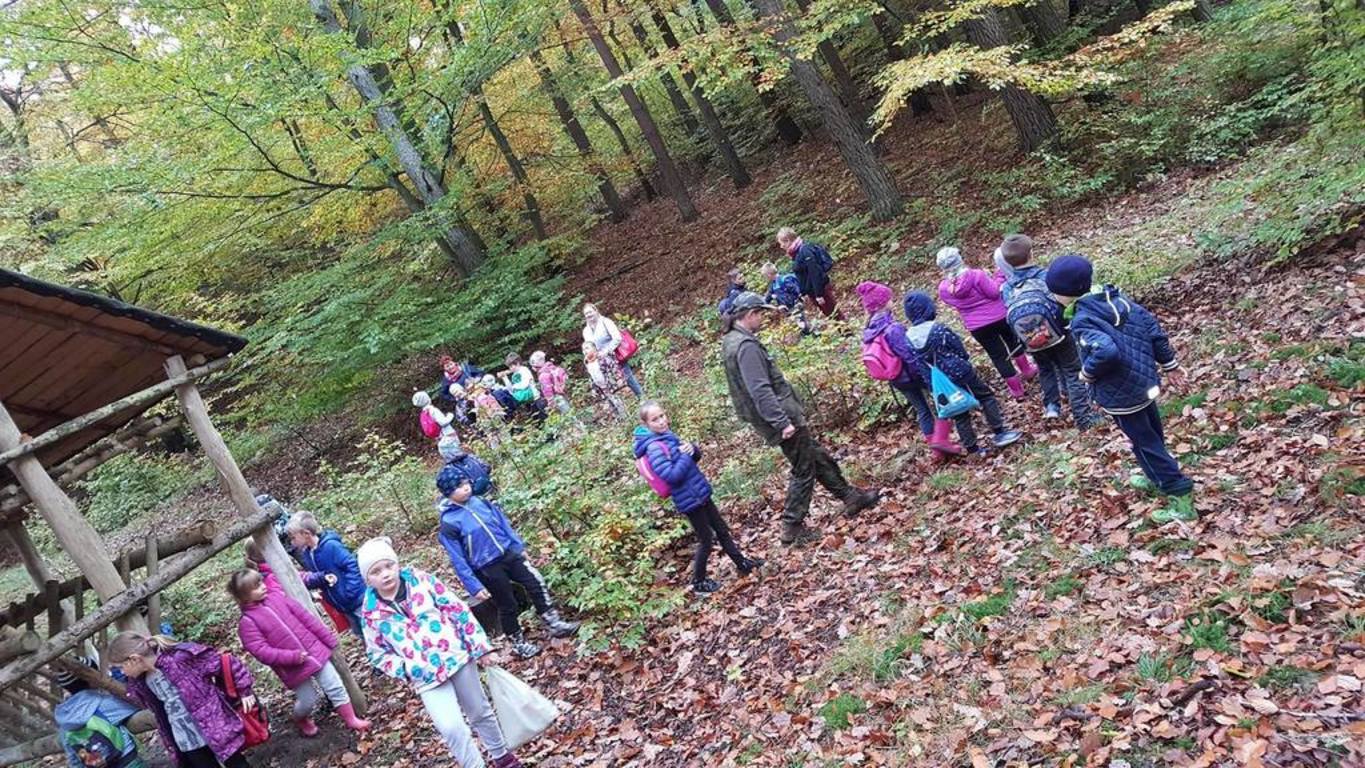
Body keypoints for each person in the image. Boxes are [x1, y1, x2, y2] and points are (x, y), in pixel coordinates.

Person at [720, 292, 881, 546]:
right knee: (803, 468)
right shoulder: (745, 346)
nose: (762, 319)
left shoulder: (732, 340)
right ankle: (792, 527)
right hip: (780, 416)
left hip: (774, 414)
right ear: (749, 315)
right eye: (760, 314)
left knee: (814, 455)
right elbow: (759, 389)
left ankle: (851, 497)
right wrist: (782, 422)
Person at [355, 538, 524, 768]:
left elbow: (458, 610)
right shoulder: (370, 613)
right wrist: (405, 668)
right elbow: (377, 653)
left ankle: (503, 757)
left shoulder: (422, 581)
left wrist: (481, 647)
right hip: (425, 676)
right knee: (451, 727)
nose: (385, 574)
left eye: (388, 566)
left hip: (456, 656)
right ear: (368, 579)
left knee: (479, 711)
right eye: (376, 572)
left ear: (397, 564)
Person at [1046, 254, 1195, 511]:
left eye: (1054, 292)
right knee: (1150, 434)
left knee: (1143, 442)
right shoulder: (1118, 299)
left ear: (1064, 293)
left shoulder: (1083, 319)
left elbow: (1106, 352)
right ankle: (1156, 475)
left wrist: (1087, 374)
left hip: (1121, 394)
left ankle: (1180, 496)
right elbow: (1153, 330)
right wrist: (1169, 364)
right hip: (1144, 381)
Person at [435, 465, 580, 658]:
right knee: (507, 604)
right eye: (459, 487)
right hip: (486, 567)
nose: (466, 488)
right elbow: (457, 559)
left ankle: (554, 623)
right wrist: (474, 586)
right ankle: (518, 643)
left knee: (535, 582)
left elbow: (503, 524)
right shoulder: (449, 523)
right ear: (448, 492)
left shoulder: (480, 502)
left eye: (465, 483)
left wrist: (518, 546)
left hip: (507, 553)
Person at [634, 401, 763, 594]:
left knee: (722, 530)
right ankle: (698, 582)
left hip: (699, 492)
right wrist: (685, 456)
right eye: (655, 419)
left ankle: (742, 563)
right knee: (706, 540)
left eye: (662, 416)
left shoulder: (668, 437)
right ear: (646, 424)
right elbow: (671, 476)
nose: (661, 421)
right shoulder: (654, 448)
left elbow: (693, 458)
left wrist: (692, 449)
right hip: (688, 500)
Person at [227, 567, 370, 737]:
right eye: (256, 587)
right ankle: (300, 718)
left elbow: (306, 618)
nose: (263, 586)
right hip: (291, 666)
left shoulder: (277, 597)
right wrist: (292, 657)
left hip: (314, 650)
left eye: (261, 582)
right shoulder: (247, 623)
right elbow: (261, 652)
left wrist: (327, 639)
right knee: (309, 699)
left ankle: (351, 719)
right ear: (243, 596)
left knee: (334, 685)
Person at [997, 235, 1103, 429]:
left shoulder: (1006, 287)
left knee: (1046, 369)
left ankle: (1052, 407)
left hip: (1029, 338)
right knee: (1073, 371)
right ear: (1031, 253)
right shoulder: (1046, 276)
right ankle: (1083, 417)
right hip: (1059, 331)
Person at [902, 291, 1023, 456]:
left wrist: (931, 384)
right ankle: (999, 432)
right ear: (928, 308)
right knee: (986, 396)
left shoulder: (908, 337)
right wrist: (963, 361)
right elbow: (959, 349)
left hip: (938, 380)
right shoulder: (939, 329)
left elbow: (918, 363)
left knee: (959, 412)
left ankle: (973, 449)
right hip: (960, 372)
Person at [106, 632, 253, 768]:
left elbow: (224, 662)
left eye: (121, 667)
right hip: (185, 738)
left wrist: (244, 691)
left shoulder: (180, 658)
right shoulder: (140, 682)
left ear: (134, 659)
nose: (122, 672)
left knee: (237, 764)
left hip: (215, 726)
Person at [855, 282, 964, 462]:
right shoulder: (893, 328)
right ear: (883, 303)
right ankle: (941, 439)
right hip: (912, 374)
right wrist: (926, 373)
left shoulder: (868, 331)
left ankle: (937, 452)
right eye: (889, 299)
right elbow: (909, 355)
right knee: (943, 400)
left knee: (922, 410)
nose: (892, 301)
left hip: (896, 378)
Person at [935, 246, 1038, 399]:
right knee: (1013, 341)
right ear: (959, 260)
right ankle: (1027, 371)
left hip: (977, 326)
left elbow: (954, 303)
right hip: (1000, 316)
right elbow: (994, 293)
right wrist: (999, 277)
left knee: (997, 356)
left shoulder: (943, 288)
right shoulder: (977, 275)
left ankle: (1017, 391)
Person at [284, 512, 366, 638]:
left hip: (356, 600)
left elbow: (352, 566)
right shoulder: (307, 554)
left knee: (371, 628)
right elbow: (318, 576)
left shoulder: (331, 546)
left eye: (293, 538)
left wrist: (350, 592)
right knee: (360, 633)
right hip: (342, 604)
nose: (292, 542)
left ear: (306, 534)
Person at [54, 657, 146, 768]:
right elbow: (136, 706)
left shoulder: (64, 718)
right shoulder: (102, 704)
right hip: (126, 760)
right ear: (91, 677)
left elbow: (72, 756)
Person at [776, 227, 840, 319]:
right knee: (831, 316)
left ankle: (846, 328)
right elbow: (804, 275)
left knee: (835, 315)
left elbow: (815, 273)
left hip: (820, 291)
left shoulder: (805, 251)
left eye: (781, 243)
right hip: (813, 292)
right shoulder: (797, 253)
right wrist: (804, 293)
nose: (781, 246)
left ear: (788, 240)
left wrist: (819, 294)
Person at [582, 303, 643, 396]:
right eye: (586, 313)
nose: (589, 315)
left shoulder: (606, 322)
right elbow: (588, 346)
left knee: (628, 377)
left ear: (596, 311)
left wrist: (606, 351)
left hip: (615, 356)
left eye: (590, 312)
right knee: (609, 385)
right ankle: (620, 404)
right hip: (600, 362)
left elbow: (617, 338)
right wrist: (588, 356)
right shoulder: (586, 331)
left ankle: (642, 397)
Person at [761, 262, 811, 335]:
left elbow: (796, 291)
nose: (766, 278)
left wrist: (795, 301)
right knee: (796, 325)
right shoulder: (773, 284)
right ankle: (806, 335)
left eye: (765, 276)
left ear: (769, 274)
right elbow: (767, 298)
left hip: (795, 305)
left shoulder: (784, 280)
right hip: (787, 309)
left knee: (802, 323)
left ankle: (811, 334)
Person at [582, 341, 626, 419]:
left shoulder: (602, 358)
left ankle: (625, 417)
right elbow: (591, 377)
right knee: (610, 404)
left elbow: (614, 367)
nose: (585, 351)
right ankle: (619, 418)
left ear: (594, 348)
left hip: (611, 384)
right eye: (583, 349)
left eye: (587, 348)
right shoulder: (587, 363)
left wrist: (619, 378)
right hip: (601, 388)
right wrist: (593, 388)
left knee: (618, 402)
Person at [500, 354, 548, 422]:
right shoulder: (514, 375)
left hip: (536, 398)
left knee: (544, 417)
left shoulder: (524, 370)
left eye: (511, 366)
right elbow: (511, 390)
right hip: (527, 401)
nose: (510, 368)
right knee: (536, 421)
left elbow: (525, 384)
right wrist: (505, 378)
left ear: (517, 363)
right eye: (509, 367)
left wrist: (514, 387)